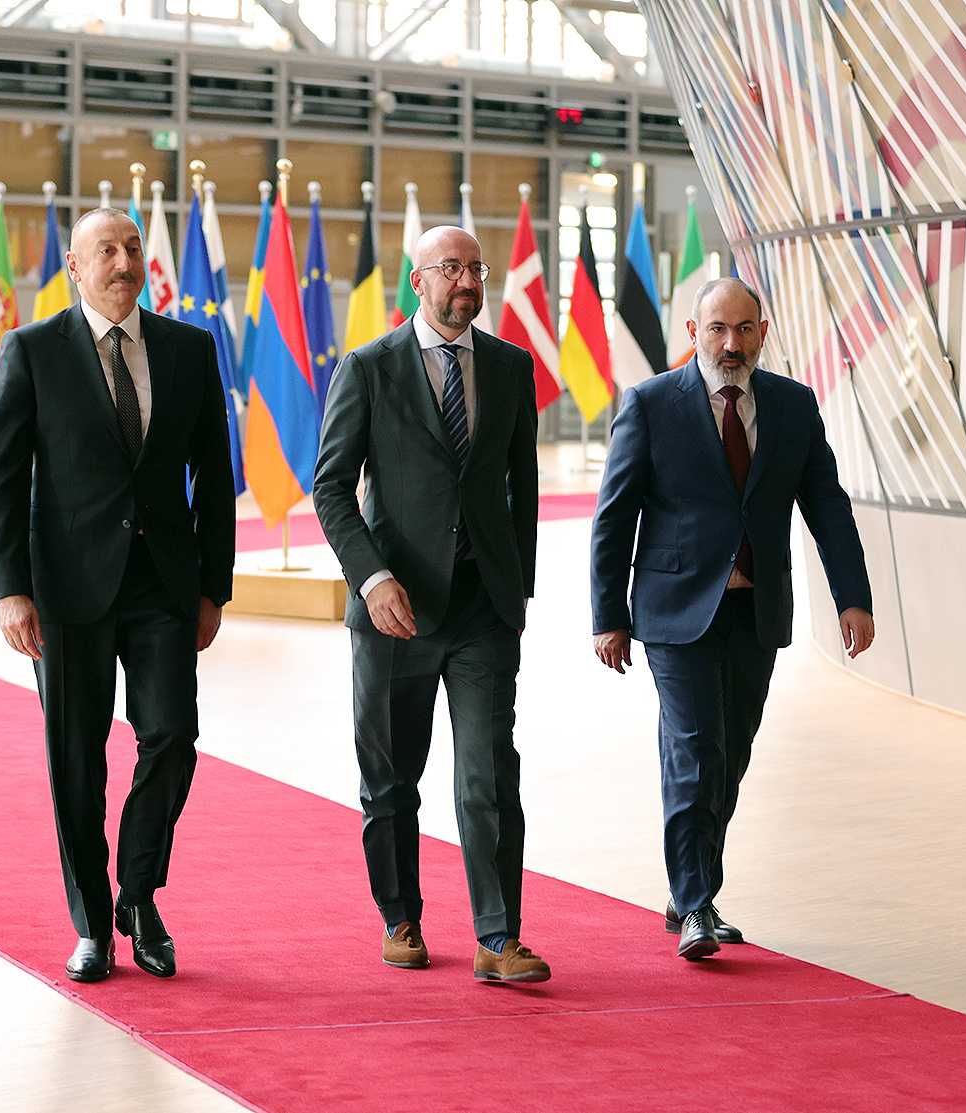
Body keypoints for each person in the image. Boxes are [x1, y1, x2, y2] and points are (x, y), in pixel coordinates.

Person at [0, 208, 235, 984]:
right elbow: (1, 477)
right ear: (74, 266)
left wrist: (213, 588)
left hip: (163, 583)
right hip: (64, 589)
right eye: (107, 252)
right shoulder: (30, 351)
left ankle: (138, 892)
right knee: (76, 759)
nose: (125, 263)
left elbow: (216, 478)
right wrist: (10, 590)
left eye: (132, 249)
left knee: (172, 738)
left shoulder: (190, 349)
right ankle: (93, 923)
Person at [590, 277, 875, 961]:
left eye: (744, 329)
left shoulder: (794, 406)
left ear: (763, 333)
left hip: (757, 609)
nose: (731, 342)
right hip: (673, 613)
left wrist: (852, 596)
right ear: (694, 332)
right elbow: (614, 515)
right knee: (696, 751)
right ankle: (696, 902)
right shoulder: (651, 404)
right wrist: (608, 615)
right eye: (717, 328)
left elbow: (827, 506)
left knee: (731, 756)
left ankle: (688, 886)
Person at [314, 225, 548, 984]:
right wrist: (372, 579)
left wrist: (518, 592)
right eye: (451, 268)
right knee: (390, 778)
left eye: (477, 268)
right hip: (396, 610)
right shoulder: (368, 368)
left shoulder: (512, 368)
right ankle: (400, 916)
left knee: (488, 772)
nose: (468, 281)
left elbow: (522, 492)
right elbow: (330, 486)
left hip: (483, 608)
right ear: (418, 281)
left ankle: (499, 935)